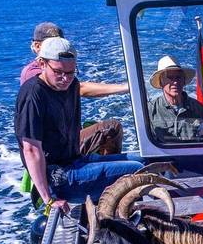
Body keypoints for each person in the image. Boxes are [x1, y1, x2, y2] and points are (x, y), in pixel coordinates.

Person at [16, 36, 143, 213]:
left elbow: (85, 87)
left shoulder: (70, 85)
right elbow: (30, 149)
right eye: (59, 72)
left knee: (145, 159)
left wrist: (127, 87)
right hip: (59, 178)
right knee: (139, 171)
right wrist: (49, 199)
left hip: (76, 161)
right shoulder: (33, 95)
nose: (65, 78)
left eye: (70, 72)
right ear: (42, 64)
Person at [19, 22, 128, 156]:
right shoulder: (34, 75)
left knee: (106, 129)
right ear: (37, 46)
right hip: (55, 150)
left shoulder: (63, 70)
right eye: (51, 43)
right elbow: (80, 88)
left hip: (66, 138)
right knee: (111, 127)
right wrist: (124, 87)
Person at [146, 56, 203, 142]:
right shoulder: (150, 109)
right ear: (161, 82)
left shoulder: (199, 109)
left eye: (178, 77)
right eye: (170, 78)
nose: (175, 82)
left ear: (183, 81)